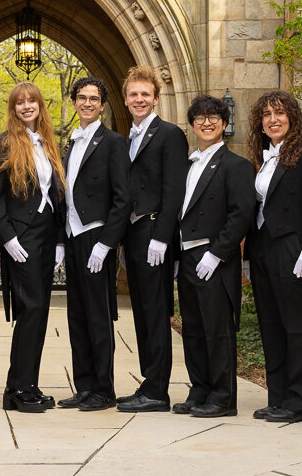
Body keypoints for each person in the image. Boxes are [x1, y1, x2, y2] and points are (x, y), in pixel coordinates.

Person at [244, 90, 302, 423]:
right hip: (265, 250)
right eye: (266, 114)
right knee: (272, 327)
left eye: (280, 113)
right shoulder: (263, 158)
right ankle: (278, 397)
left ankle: (299, 403)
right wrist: (249, 256)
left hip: (296, 251)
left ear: (292, 117)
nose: (273, 119)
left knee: (299, 329)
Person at [174, 95, 255, 417]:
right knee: (192, 327)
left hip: (214, 260)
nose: (206, 123)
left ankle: (222, 397)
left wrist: (218, 253)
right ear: (192, 124)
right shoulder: (188, 165)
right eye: (200, 118)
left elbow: (241, 215)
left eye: (213, 118)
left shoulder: (236, 166)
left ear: (223, 123)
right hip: (188, 257)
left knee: (217, 330)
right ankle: (200, 390)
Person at [0, 82, 67, 413]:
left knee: (39, 311)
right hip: (20, 237)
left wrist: (61, 239)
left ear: (40, 104)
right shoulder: (1, 144)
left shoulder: (49, 143)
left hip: (46, 236)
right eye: (19, 102)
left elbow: (58, 195)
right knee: (30, 310)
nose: (26, 106)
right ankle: (20, 388)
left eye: (31, 100)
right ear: (13, 108)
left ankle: (23, 383)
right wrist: (6, 237)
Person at [117, 66, 189, 413]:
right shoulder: (126, 137)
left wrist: (162, 238)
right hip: (132, 235)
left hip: (154, 234)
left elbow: (174, 189)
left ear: (156, 98)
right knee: (142, 313)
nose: (139, 99)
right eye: (134, 94)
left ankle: (158, 390)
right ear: (126, 99)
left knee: (157, 312)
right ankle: (149, 382)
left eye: (145, 94)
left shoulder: (170, 134)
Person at [56, 77, 131, 412]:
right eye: (81, 97)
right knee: (77, 316)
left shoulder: (114, 142)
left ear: (102, 105)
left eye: (94, 99)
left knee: (99, 315)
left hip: (96, 237)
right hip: (73, 237)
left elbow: (123, 198)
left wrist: (106, 244)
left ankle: (104, 388)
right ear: (74, 102)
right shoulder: (71, 144)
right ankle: (84, 385)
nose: (87, 103)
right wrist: (61, 239)